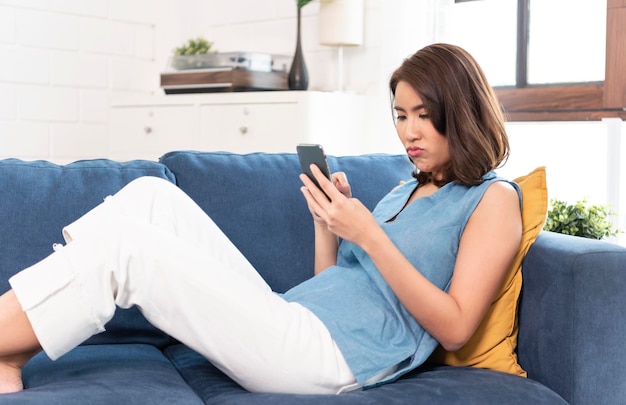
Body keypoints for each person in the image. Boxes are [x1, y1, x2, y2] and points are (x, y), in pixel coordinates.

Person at [0, 43, 521, 395]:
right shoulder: (407, 187)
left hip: (330, 357)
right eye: (401, 116)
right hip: (291, 319)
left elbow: (455, 327)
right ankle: (17, 346)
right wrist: (327, 223)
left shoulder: (492, 199)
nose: (409, 133)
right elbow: (333, 283)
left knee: (129, 247)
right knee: (149, 196)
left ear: (461, 109)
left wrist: (369, 235)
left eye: (424, 116)